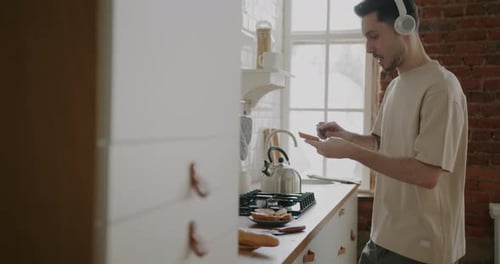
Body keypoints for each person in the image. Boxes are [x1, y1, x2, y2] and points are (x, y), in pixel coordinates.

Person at [302, 0, 468, 263]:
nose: (368, 48)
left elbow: (427, 174)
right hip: (382, 239)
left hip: (422, 251)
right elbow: (380, 143)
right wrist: (347, 136)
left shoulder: (442, 89)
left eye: (374, 36)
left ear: (405, 26)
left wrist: (351, 153)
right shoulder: (395, 86)